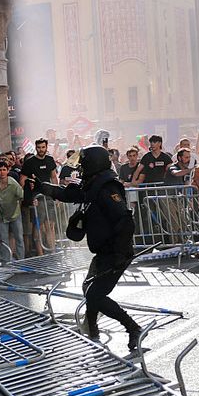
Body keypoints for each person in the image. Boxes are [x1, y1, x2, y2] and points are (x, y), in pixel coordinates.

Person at [39, 145, 141, 352]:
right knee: (88, 288)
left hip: (114, 251)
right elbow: (71, 195)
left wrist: (120, 253)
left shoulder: (107, 188)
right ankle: (91, 328)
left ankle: (133, 328)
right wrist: (42, 187)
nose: (82, 167)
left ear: (94, 163)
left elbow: (125, 220)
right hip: (104, 250)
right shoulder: (94, 184)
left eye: (85, 163)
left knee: (95, 295)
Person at [21, 138, 58, 255]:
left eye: (43, 147)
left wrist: (57, 194)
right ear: (35, 148)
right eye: (39, 147)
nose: (41, 150)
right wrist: (28, 198)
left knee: (50, 226)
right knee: (38, 226)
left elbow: (54, 178)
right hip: (37, 198)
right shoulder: (30, 162)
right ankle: (40, 254)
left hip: (49, 197)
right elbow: (22, 180)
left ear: (46, 147)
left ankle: (52, 252)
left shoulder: (50, 160)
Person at [0, 161, 25, 261]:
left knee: (19, 238)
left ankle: (21, 260)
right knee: (3, 239)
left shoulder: (13, 183)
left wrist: (20, 204)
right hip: (1, 214)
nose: (2, 172)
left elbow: (22, 195)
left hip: (15, 213)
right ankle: (6, 260)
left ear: (8, 171)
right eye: (0, 170)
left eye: (4, 170)